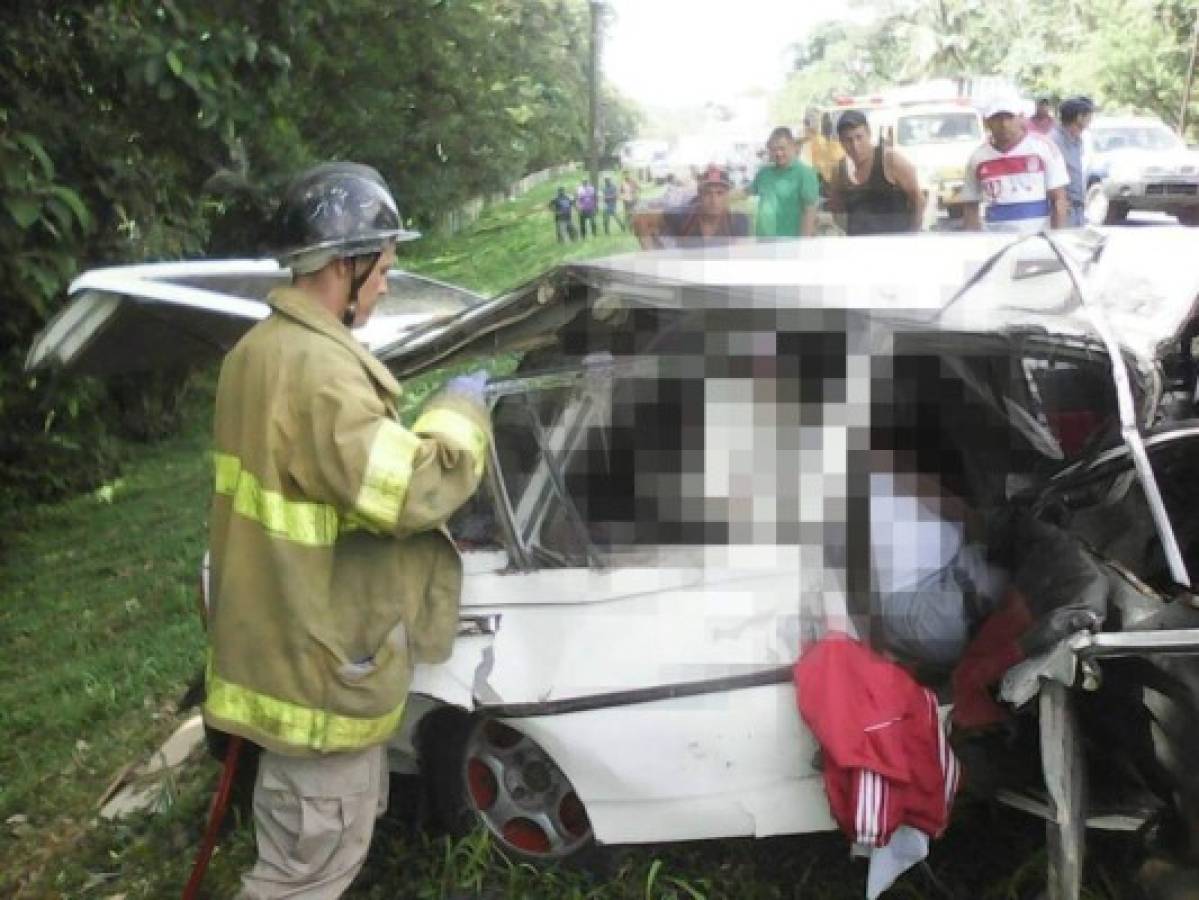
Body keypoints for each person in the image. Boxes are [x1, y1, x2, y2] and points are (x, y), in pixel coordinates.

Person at [204, 162, 492, 899]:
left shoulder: (256, 352)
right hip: (316, 675)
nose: (388, 282)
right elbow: (409, 490)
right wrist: (459, 413)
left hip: (280, 643)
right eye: (384, 266)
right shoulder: (319, 373)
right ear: (345, 264)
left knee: (303, 850)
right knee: (301, 875)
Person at [961, 95, 1069, 234]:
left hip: (1037, 239)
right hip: (995, 241)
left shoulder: (1043, 149)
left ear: (1021, 118)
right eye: (997, 118)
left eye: (1009, 117)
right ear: (986, 122)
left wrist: (1057, 237)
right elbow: (971, 205)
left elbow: (1059, 199)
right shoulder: (978, 158)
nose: (1004, 124)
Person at [825, 109, 925, 235]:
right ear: (841, 142)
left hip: (895, 242)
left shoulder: (890, 161)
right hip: (859, 244)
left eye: (859, 137)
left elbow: (918, 200)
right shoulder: (839, 171)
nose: (855, 145)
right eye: (848, 140)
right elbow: (837, 210)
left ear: (869, 134)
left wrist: (911, 234)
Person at [631, 164, 750, 249]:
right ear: (699, 195)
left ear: (727, 196)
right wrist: (651, 257)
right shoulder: (683, 216)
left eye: (720, 193)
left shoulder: (738, 221)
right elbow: (640, 219)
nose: (714, 200)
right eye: (708, 193)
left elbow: (740, 259)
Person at [748, 126, 820, 239]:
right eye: (774, 149)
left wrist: (803, 245)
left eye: (782, 148)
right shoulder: (764, 173)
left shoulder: (805, 174)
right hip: (763, 244)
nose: (778, 153)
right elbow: (745, 192)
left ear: (792, 147)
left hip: (790, 245)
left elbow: (810, 212)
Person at [1050, 96, 1095, 227]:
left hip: (1078, 208)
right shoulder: (1053, 141)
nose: (1091, 120)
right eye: (1089, 116)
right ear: (1080, 117)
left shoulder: (1077, 141)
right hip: (1062, 208)